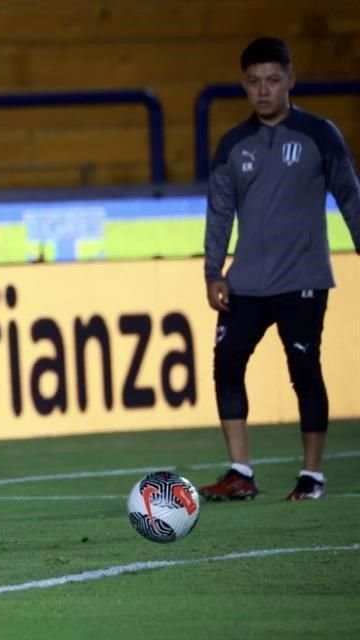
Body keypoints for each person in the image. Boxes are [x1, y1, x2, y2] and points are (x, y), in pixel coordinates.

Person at [200, 37, 360, 502]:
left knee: (304, 370)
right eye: (253, 82)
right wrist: (214, 271)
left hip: (303, 279)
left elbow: (350, 196)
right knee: (226, 365)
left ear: (291, 79)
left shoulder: (319, 135)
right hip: (246, 280)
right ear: (243, 85)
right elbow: (219, 213)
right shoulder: (232, 145)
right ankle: (240, 472)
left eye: (273, 80)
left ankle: (312, 477)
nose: (263, 90)